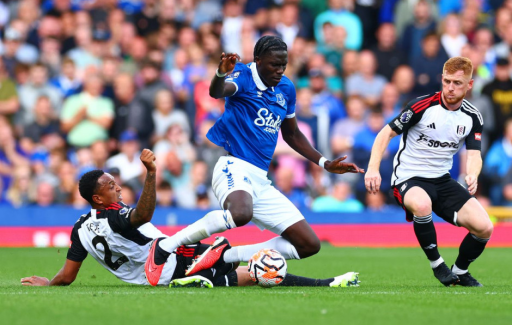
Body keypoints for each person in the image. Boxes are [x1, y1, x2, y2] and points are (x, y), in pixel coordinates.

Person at [144, 35, 364, 286]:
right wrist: (219, 73)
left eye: (284, 64)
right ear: (257, 60)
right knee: (240, 213)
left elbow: (291, 134)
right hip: (233, 166)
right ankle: (166, 246)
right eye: (274, 64)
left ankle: (226, 255)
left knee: (308, 245)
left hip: (260, 179)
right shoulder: (243, 75)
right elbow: (217, 92)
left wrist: (325, 163)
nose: (280, 70)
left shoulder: (286, 88)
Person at [20, 150, 359, 288]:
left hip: (160, 268)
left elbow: (68, 274)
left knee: (236, 258)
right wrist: (151, 173)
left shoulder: (80, 228)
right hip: (167, 265)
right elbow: (143, 215)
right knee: (257, 272)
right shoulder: (116, 218)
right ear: (98, 198)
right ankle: (327, 284)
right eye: (111, 185)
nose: (118, 187)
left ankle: (327, 283)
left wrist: (49, 284)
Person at [364, 57, 493, 287]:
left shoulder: (473, 116)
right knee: (423, 205)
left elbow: (474, 153)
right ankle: (438, 265)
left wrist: (472, 174)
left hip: (442, 180)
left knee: (485, 227)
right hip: (408, 177)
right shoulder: (421, 106)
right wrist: (373, 168)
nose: (450, 88)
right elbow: (385, 133)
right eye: (447, 81)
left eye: (457, 83)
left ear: (469, 85)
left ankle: (461, 271)